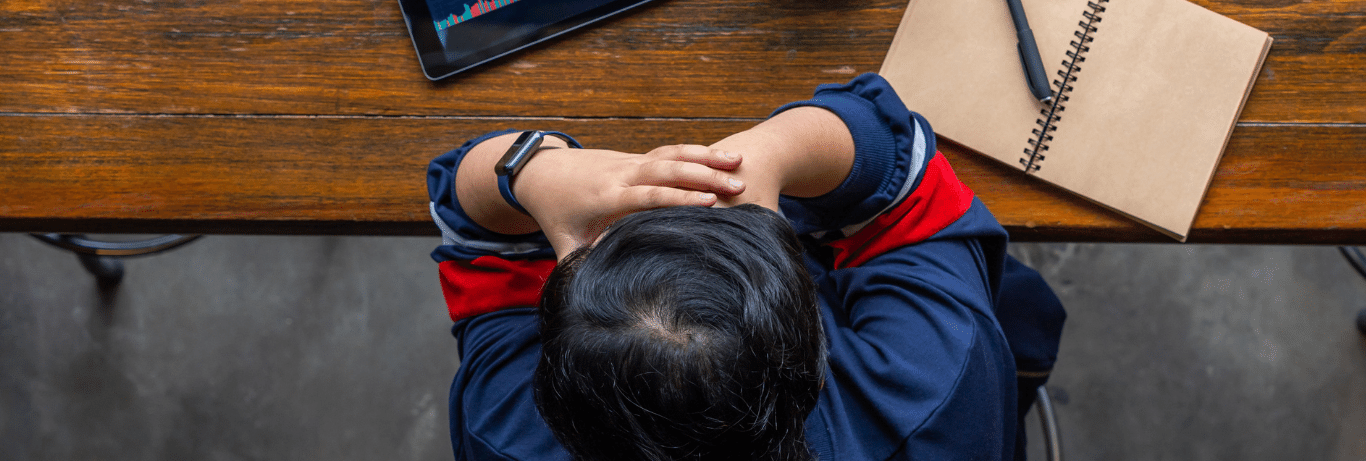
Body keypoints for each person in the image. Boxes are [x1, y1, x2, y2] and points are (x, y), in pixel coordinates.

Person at [426, 73, 1066, 460]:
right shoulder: (932, 387)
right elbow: (906, 178)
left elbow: (468, 218)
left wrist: (536, 172)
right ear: (811, 356)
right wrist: (773, 151)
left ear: (554, 391)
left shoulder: (503, 433)